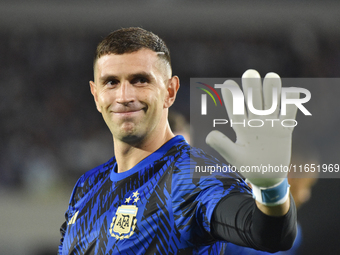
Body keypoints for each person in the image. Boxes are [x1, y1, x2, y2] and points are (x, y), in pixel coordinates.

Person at [58, 27, 297, 255]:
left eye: (140, 80)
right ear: (96, 95)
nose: (124, 96)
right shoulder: (87, 186)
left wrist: (272, 190)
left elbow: (267, 234)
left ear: (170, 91)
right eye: (111, 82)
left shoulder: (192, 176)